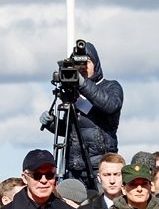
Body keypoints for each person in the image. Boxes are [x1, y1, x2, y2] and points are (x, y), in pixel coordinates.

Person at [40, 41, 123, 188]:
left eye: (87, 62)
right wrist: (52, 122)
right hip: (73, 169)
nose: (83, 67)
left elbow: (110, 106)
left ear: (96, 64)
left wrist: (82, 84)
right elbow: (70, 132)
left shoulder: (111, 86)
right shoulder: (71, 92)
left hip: (101, 168)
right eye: (78, 64)